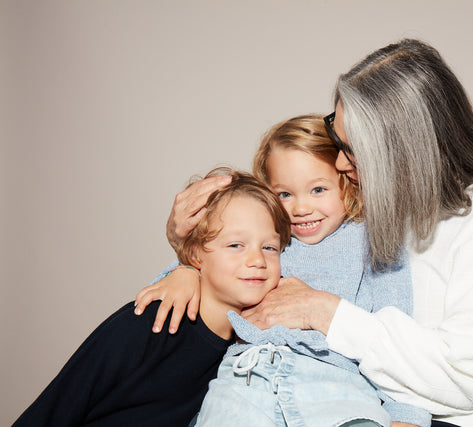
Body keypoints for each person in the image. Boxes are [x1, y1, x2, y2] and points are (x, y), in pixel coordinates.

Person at [136, 39, 473, 427]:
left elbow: (470, 373)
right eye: (338, 139)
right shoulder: (358, 204)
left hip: (449, 416)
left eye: (352, 150)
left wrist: (323, 311)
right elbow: (248, 249)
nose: (341, 165)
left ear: (402, 149)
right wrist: (187, 260)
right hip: (305, 390)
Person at [145, 115, 431, 426]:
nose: (301, 208)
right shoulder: (264, 235)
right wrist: (183, 271)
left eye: (318, 190)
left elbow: (398, 332)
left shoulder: (376, 239)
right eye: (284, 194)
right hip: (247, 380)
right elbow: (196, 267)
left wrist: (407, 415)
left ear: (347, 183)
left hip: (336, 390)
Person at [13, 168, 290, 427]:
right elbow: (52, 411)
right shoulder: (148, 323)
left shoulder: (254, 353)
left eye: (269, 247)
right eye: (235, 245)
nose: (257, 260)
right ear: (194, 254)